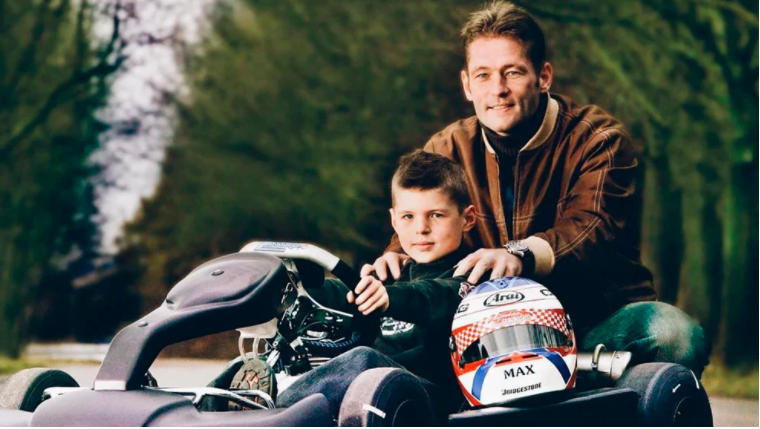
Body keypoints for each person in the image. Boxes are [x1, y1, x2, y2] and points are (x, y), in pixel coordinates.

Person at [362, 1, 709, 378]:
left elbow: (592, 226)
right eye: (483, 75)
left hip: (591, 321)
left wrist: (520, 254)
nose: (498, 90)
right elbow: (418, 215)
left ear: (543, 77)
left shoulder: (598, 139)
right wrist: (394, 255)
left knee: (674, 335)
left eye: (512, 72)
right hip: (487, 330)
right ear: (466, 85)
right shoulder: (447, 149)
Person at [213, 150, 481, 417]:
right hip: (371, 397)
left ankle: (267, 410)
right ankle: (205, 409)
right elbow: (344, 294)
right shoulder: (392, 274)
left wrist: (388, 297)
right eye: (408, 216)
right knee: (252, 364)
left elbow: (432, 296)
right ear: (394, 220)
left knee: (363, 359)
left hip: (426, 399)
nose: (421, 228)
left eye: (436, 215)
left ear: (467, 218)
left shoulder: (472, 277)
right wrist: (290, 287)